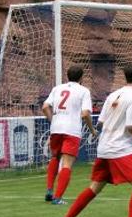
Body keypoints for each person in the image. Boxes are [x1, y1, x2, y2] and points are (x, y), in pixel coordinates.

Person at [57, 64, 132, 217]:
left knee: (94, 187)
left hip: (104, 147)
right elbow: (131, 126)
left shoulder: (113, 95)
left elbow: (101, 122)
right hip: (119, 149)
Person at [42, 66, 97, 205]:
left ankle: (49, 190)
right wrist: (92, 130)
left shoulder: (57, 88)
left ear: (67, 76)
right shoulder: (84, 91)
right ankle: (58, 197)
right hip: (71, 130)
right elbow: (85, 113)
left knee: (55, 157)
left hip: (56, 128)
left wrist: (53, 121)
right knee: (67, 163)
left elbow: (45, 106)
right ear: (81, 78)